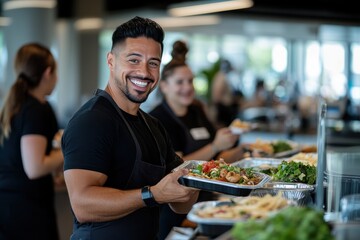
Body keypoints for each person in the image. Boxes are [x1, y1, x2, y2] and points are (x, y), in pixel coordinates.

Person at [61, 16, 199, 240]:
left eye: (153, 63)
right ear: (111, 61)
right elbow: (83, 205)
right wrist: (152, 194)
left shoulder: (153, 126)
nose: (144, 72)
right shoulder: (91, 121)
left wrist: (198, 179)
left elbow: (181, 206)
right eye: (134, 60)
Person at [150, 40, 245, 239]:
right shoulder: (158, 119)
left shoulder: (197, 110)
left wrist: (245, 149)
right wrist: (214, 146)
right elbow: (177, 166)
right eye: (180, 82)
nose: (187, 87)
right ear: (164, 86)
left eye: (190, 81)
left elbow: (219, 157)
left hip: (209, 199)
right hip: (179, 210)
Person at [0, 43, 64, 240]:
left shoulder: (17, 105)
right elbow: (34, 167)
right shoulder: (36, 109)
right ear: (47, 72)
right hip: (26, 212)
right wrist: (66, 150)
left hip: (11, 207)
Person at [211, 59, 243, 128]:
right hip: (223, 110)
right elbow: (217, 96)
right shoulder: (220, 77)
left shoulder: (223, 76)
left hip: (225, 109)